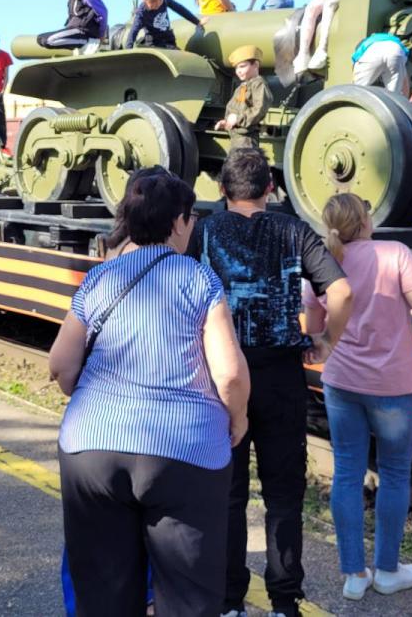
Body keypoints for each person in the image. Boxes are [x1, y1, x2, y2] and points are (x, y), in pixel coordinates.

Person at [49, 168, 250, 616]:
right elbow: (230, 375)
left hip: (92, 450)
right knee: (188, 597)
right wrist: (238, 420)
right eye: (192, 217)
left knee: (102, 592)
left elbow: (61, 364)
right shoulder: (201, 280)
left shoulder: (100, 279)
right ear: (178, 222)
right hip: (185, 455)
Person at [187, 148, 353, 617]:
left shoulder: (205, 231)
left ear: (221, 190)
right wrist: (325, 343)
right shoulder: (293, 230)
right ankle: (284, 602)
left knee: (229, 493)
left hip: (224, 374)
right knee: (283, 494)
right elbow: (341, 291)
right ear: (269, 189)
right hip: (282, 375)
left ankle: (228, 600)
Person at [307, 193, 412, 600]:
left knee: (347, 473)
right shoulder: (395, 254)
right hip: (394, 385)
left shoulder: (321, 262)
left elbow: (316, 327)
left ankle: (353, 575)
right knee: (396, 474)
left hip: (342, 383)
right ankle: (387, 570)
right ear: (365, 221)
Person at [214, 45, 272, 151]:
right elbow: (237, 109)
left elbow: (259, 109)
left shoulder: (258, 85)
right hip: (237, 139)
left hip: (247, 141)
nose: (238, 71)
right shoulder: (242, 87)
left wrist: (238, 119)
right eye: (236, 68)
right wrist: (226, 122)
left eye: (242, 66)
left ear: (255, 65)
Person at [125, 0, 200, 49]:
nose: (158, 3)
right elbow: (133, 33)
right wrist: (128, 49)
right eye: (153, 1)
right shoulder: (141, 13)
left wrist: (197, 22)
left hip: (169, 41)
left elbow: (180, 9)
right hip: (154, 44)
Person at [351, 32, 411, 96]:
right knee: (394, 96)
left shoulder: (363, 46)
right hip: (396, 50)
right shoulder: (394, 40)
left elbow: (354, 69)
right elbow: (405, 84)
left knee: (358, 91)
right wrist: (405, 101)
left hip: (371, 53)